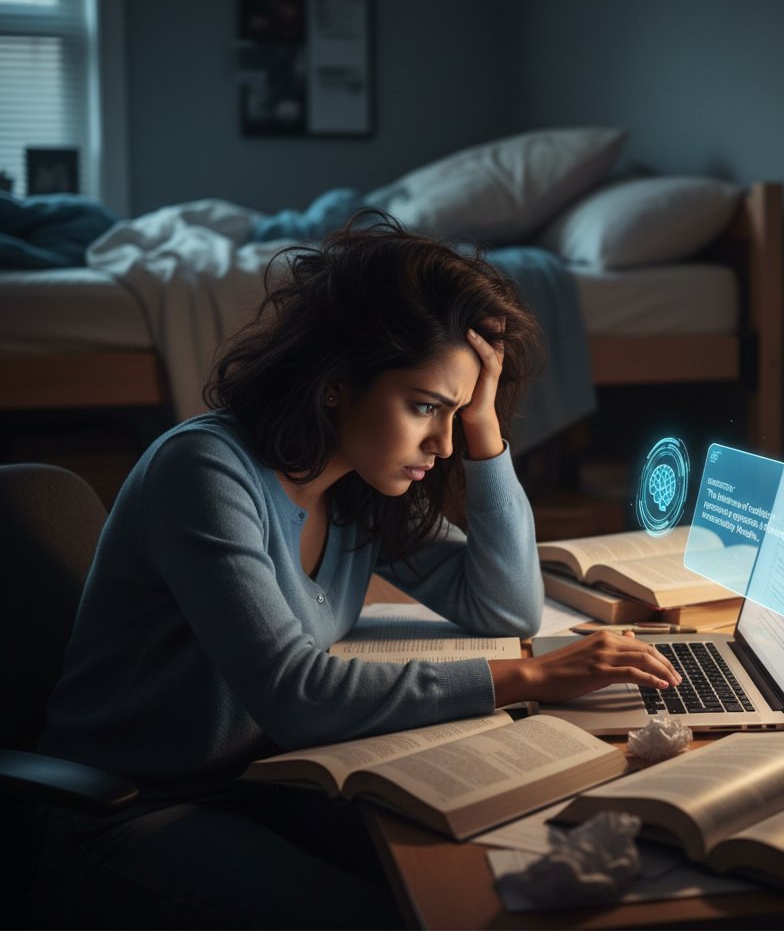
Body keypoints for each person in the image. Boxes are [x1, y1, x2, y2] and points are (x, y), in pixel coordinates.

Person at [34, 214, 681, 929]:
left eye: (455, 413)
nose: (441, 444)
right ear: (336, 383)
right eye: (425, 407)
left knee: (484, 879)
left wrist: (483, 427)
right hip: (125, 814)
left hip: (266, 780)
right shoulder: (204, 471)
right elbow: (296, 695)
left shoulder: (357, 488)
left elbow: (505, 607)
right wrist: (531, 676)